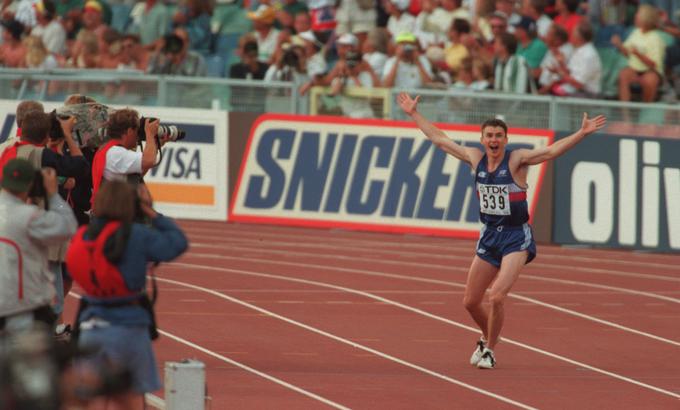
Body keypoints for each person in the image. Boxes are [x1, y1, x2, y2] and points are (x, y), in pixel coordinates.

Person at [396, 92, 606, 368]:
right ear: (482, 139)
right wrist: (413, 114)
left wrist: (582, 133)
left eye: (498, 136)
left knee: (496, 296)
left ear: (505, 140)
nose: (494, 140)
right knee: (471, 301)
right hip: (490, 234)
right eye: (489, 136)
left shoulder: (517, 160)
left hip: (516, 237)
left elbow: (551, 151)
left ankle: (490, 350)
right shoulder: (475, 158)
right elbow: (439, 140)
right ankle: (487, 336)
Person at [65, 181, 188, 408]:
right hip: (129, 327)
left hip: (90, 326)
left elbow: (73, 268)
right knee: (131, 399)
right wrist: (151, 212)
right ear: (130, 205)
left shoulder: (82, 237)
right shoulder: (136, 236)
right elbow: (177, 243)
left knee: (91, 398)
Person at [0, 159, 77, 333]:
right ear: (30, 185)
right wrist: (52, 195)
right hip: (21, 312)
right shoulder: (29, 217)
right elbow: (68, 226)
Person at [90, 108, 164, 205]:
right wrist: (150, 134)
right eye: (137, 131)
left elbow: (137, 174)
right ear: (129, 131)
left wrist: (156, 145)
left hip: (111, 208)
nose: (138, 136)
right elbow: (148, 161)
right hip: (113, 213)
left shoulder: (110, 150)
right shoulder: (115, 153)